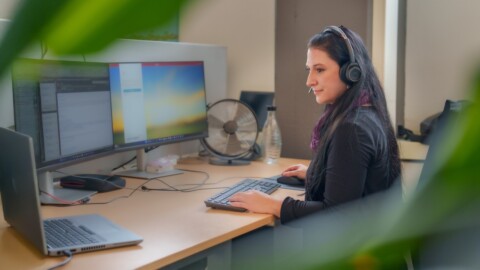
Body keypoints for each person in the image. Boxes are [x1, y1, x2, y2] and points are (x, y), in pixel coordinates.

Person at [229, 25, 401, 224]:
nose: (309, 81)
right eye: (309, 70)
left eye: (319, 70)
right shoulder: (368, 112)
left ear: (350, 72)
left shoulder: (351, 128)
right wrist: (317, 175)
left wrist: (273, 205)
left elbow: (337, 215)